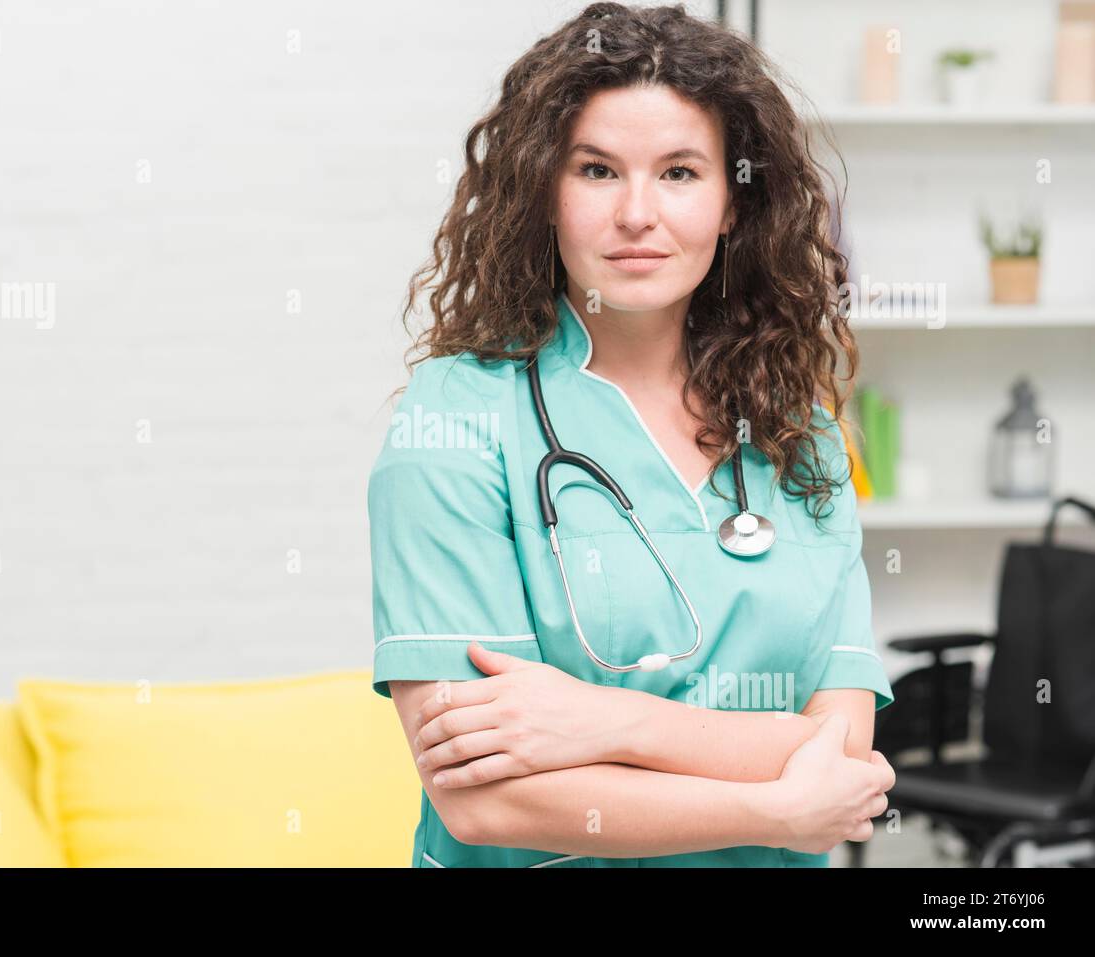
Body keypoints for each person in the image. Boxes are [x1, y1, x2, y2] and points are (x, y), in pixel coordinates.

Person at [367, 2, 895, 868]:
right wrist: (777, 806)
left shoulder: (800, 430)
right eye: (598, 171)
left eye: (681, 172)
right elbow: (484, 798)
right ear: (545, 192)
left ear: (734, 202)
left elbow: (842, 757)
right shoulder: (453, 422)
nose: (638, 213)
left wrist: (607, 721)